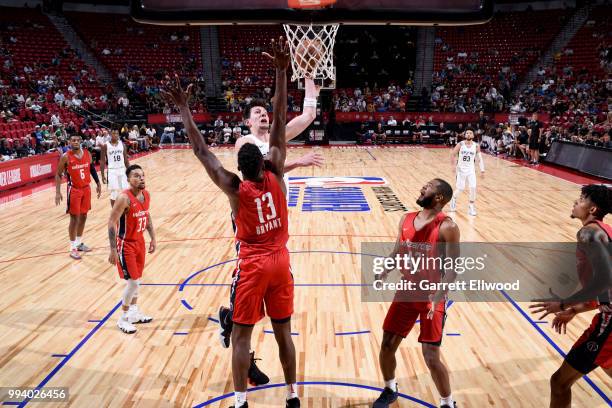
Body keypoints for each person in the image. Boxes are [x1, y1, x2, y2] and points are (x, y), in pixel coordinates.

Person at [162, 39, 300, 408]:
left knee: (241, 336)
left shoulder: (236, 190)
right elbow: (280, 114)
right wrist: (282, 72)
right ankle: (293, 395)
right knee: (285, 333)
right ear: (267, 160)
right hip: (282, 262)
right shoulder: (277, 171)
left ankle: (240, 402)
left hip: (253, 264)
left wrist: (184, 110)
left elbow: (202, 151)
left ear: (240, 167)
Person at [373, 178, 460, 408]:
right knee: (387, 346)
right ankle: (390, 389)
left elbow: (453, 268)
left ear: (439, 197)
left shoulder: (448, 227)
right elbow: (397, 250)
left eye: (429, 186)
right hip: (407, 290)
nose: (423, 187)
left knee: (431, 357)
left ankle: (447, 403)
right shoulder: (406, 218)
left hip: (432, 295)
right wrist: (384, 271)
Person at [530, 185, 611, 408]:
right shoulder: (605, 231)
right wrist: (575, 309)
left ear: (593, 208)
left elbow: (604, 281)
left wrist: (564, 303)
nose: (575, 202)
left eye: (582, 199)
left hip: (609, 322)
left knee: (559, 383)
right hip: (607, 316)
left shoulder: (588, 233)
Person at [107, 164, 157, 334]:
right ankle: (123, 317)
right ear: (128, 180)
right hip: (125, 244)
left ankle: (134, 313)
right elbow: (111, 222)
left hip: (140, 242)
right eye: (136, 176)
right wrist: (113, 249)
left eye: (142, 175)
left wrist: (153, 238)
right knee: (133, 282)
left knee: (138, 279)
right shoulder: (124, 198)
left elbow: (147, 215)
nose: (141, 178)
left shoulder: (146, 195)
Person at [55, 134, 102, 260]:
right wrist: (58, 192)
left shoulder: (87, 153)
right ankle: (72, 248)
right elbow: (58, 174)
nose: (75, 142)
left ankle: (79, 243)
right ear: (70, 142)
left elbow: (91, 168)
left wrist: (98, 183)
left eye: (77, 140)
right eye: (73, 140)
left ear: (80, 141)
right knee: (74, 218)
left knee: (84, 215)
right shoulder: (65, 157)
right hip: (74, 189)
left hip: (86, 188)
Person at [449, 129, 485, 216]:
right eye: (467, 133)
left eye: (470, 133)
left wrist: (482, 170)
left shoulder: (476, 145)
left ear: (473, 135)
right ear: (465, 135)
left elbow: (479, 158)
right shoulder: (460, 144)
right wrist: (453, 166)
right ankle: (453, 199)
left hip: (471, 170)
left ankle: (471, 206)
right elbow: (453, 154)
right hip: (461, 170)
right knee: (460, 188)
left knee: (473, 187)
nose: (468, 134)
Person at [100, 129, 130, 207]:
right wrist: (102, 175)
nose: (115, 135)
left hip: (122, 169)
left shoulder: (122, 145)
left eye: (117, 133)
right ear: (110, 134)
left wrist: (130, 172)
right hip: (112, 171)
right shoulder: (105, 145)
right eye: (113, 133)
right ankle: (114, 212)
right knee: (114, 193)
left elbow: (126, 160)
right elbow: (102, 161)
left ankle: (125, 210)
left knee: (125, 191)